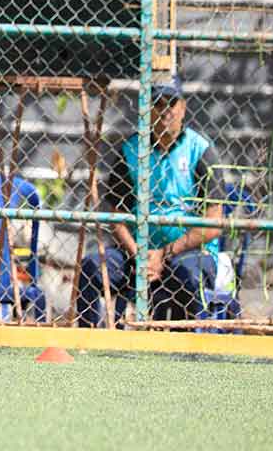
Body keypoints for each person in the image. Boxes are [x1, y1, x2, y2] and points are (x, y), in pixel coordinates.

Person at [77, 76, 226, 327]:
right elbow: (116, 216)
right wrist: (139, 255)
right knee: (92, 267)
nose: (165, 110)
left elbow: (213, 224)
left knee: (184, 272)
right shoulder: (131, 151)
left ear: (183, 107)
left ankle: (183, 346)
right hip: (138, 253)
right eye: (157, 103)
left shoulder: (200, 151)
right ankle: (87, 338)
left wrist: (165, 254)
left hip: (188, 253)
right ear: (147, 110)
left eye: (171, 103)